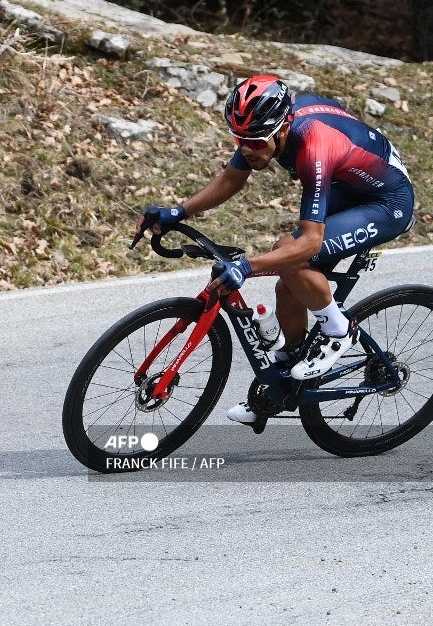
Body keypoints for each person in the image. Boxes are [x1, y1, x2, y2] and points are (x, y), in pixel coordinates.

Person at [139, 74, 415, 424]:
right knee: (288, 274)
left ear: (283, 128)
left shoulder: (314, 144)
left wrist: (245, 267)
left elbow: (311, 242)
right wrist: (178, 211)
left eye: (255, 141)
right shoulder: (265, 128)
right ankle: (285, 375)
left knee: (296, 254)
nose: (247, 149)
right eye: (239, 139)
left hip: (386, 201)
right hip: (347, 185)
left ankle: (338, 331)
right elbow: (230, 178)